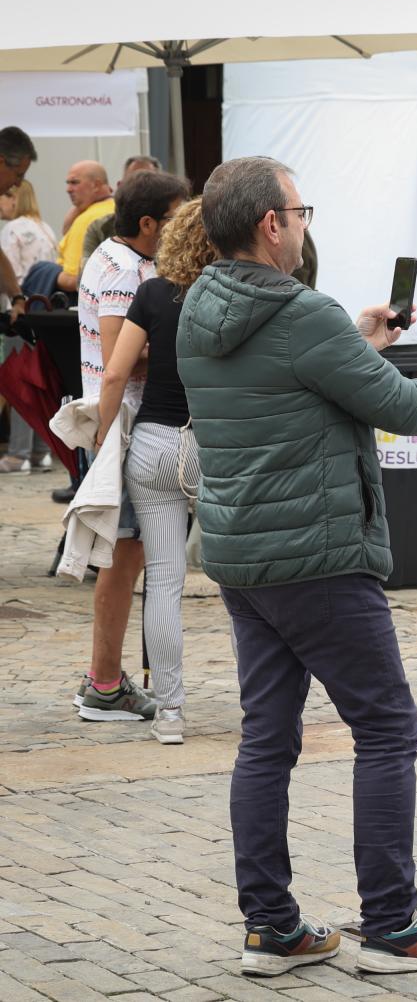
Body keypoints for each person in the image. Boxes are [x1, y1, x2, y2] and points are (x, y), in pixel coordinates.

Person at [177, 156, 417, 976]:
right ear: (272, 224)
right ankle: (395, 927)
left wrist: (358, 343)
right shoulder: (302, 314)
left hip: (244, 559)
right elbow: (402, 407)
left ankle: (272, 927)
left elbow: (291, 382)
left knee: (267, 741)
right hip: (320, 557)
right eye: (302, 210)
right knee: (388, 727)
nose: (305, 224)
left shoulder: (198, 308)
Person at [73, 170, 192, 722]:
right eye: (175, 215)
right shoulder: (123, 270)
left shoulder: (124, 260)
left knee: (131, 558)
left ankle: (105, 679)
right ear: (148, 223)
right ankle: (103, 684)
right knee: (122, 561)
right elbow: (122, 357)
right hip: (122, 425)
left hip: (125, 424)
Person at [91, 199, 211, 745]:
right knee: (244, 582)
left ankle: (170, 714)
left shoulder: (153, 293)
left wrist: (101, 439)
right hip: (217, 446)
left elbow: (115, 374)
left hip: (157, 442)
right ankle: (268, 706)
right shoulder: (235, 296)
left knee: (163, 580)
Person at [1, 178, 59, 474]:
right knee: (39, 382)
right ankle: (41, 451)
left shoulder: (13, 229)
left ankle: (17, 454)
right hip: (44, 312)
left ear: (14, 198)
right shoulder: (46, 228)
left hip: (18, 312)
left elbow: (5, 268)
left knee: (18, 384)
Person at [80, 155, 162, 261]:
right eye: (133, 182)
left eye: (149, 183)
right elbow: (88, 272)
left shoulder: (172, 228)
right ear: (120, 186)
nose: (141, 190)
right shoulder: (99, 228)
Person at [55, 161, 116, 294]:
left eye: (74, 182)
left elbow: (73, 279)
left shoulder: (88, 219)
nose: (68, 189)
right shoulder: (118, 208)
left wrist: (47, 274)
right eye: (68, 183)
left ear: (97, 185)